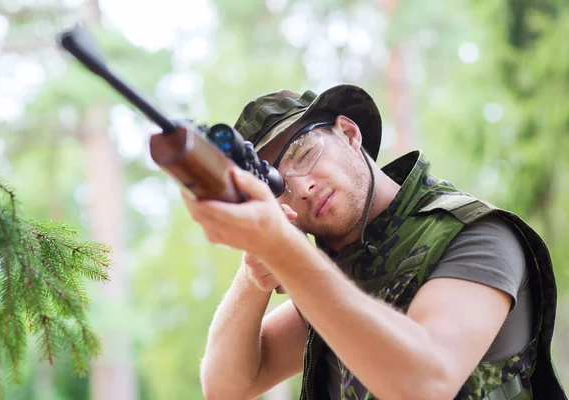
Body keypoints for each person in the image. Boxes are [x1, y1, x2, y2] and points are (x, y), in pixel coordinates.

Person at [182, 84, 567, 400]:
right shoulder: (333, 270)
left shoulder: (475, 234)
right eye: (277, 185)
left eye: (303, 153)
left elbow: (424, 384)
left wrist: (285, 251)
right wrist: (258, 267)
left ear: (349, 134)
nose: (301, 186)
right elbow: (227, 386)